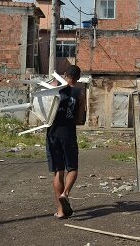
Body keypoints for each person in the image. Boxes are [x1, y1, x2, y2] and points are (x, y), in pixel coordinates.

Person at [46, 65, 86, 219]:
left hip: (53, 133)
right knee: (73, 168)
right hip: (69, 133)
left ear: (64, 74)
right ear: (78, 78)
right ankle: (66, 193)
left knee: (58, 171)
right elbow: (80, 118)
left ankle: (61, 211)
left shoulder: (55, 89)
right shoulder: (79, 93)